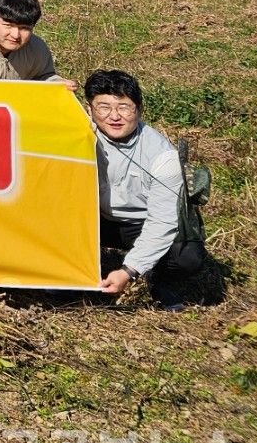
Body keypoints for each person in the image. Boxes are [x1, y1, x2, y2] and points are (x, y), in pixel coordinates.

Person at [87, 69, 209, 306]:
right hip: (92, 217)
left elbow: (162, 221)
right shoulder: (78, 135)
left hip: (140, 224)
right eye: (104, 107)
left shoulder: (163, 156)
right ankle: (68, 278)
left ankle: (158, 277)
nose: (114, 116)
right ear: (89, 109)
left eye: (124, 107)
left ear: (139, 109)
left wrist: (128, 271)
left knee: (186, 257)